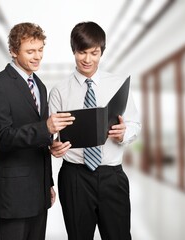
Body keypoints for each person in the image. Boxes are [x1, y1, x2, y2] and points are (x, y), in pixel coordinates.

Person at [0, 22, 74, 240]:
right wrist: (46, 128)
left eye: (40, 50)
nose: (37, 56)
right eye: (30, 51)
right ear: (13, 51)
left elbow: (38, 139)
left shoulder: (40, 85)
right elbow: (1, 137)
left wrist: (48, 180)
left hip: (38, 192)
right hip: (13, 193)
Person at [49, 21, 141, 240]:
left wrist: (124, 133)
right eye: (82, 52)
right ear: (73, 51)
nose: (88, 59)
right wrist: (53, 146)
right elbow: (51, 135)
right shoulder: (59, 91)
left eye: (94, 53)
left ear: (102, 52)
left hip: (112, 176)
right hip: (75, 176)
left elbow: (135, 124)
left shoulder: (118, 85)